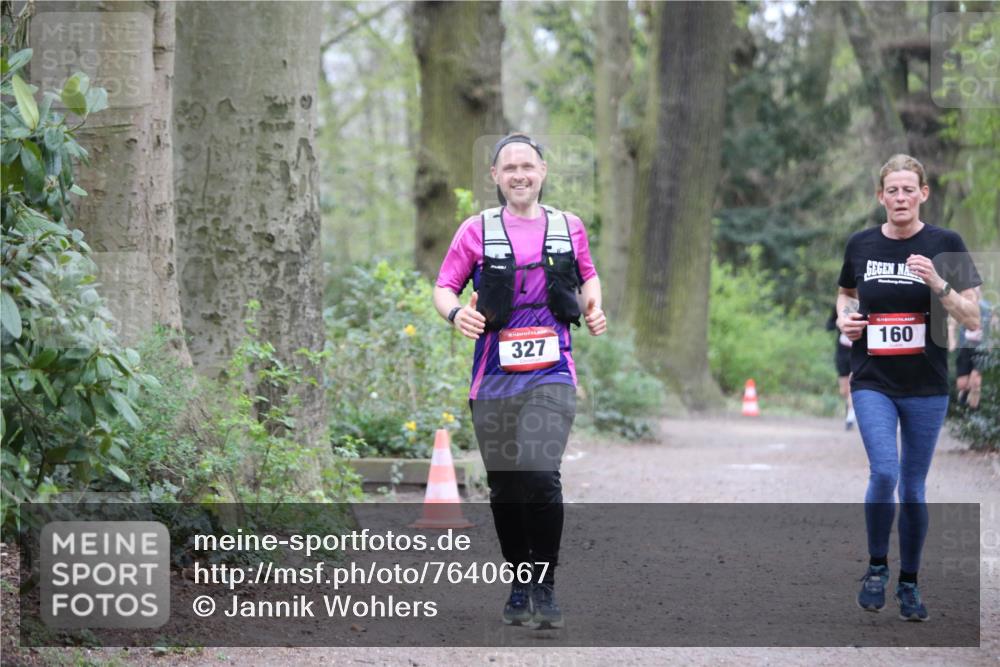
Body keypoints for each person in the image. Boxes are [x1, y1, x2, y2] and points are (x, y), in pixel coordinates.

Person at [432, 133, 606, 629]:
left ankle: (545, 585)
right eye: (509, 168)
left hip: (552, 371)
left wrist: (594, 306)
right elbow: (445, 287)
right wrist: (455, 316)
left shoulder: (568, 227)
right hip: (492, 377)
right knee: (506, 488)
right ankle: (520, 582)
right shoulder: (476, 230)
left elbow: (588, 276)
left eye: (527, 165)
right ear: (495, 177)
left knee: (539, 473)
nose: (519, 175)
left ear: (543, 171)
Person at [836, 154, 981, 622]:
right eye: (891, 190)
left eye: (908, 190)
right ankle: (877, 566)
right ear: (880, 196)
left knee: (914, 488)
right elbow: (845, 294)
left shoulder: (946, 243)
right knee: (884, 473)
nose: (900, 198)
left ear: (923, 194)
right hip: (873, 380)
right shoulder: (859, 244)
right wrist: (845, 319)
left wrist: (939, 283)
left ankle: (910, 583)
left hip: (926, 384)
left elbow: (974, 317)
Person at [952, 295, 991, 409]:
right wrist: (952, 339)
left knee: (976, 381)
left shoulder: (986, 307)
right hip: (965, 346)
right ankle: (964, 404)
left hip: (981, 347)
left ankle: (974, 411)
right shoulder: (961, 305)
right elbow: (953, 322)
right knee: (962, 385)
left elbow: (992, 323)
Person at [826, 307, 856, 429]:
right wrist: (839, 324)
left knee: (852, 386)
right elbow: (829, 325)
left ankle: (850, 415)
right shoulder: (839, 307)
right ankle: (851, 408)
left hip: (857, 353)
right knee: (843, 390)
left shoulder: (865, 304)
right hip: (842, 353)